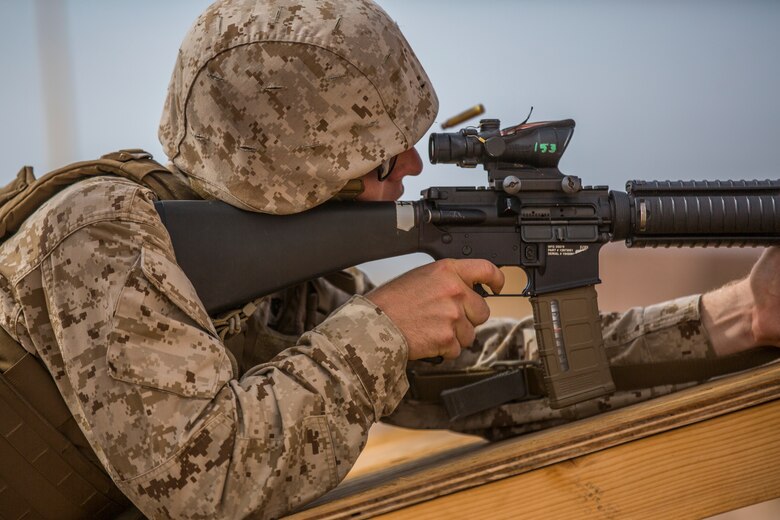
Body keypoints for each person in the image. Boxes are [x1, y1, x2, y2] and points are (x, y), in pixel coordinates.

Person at [0, 0, 778, 518]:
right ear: (288, 173)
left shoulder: (274, 267)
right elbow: (209, 484)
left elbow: (475, 381)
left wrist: (733, 317)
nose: (410, 168)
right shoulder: (96, 239)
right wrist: (382, 327)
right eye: (380, 160)